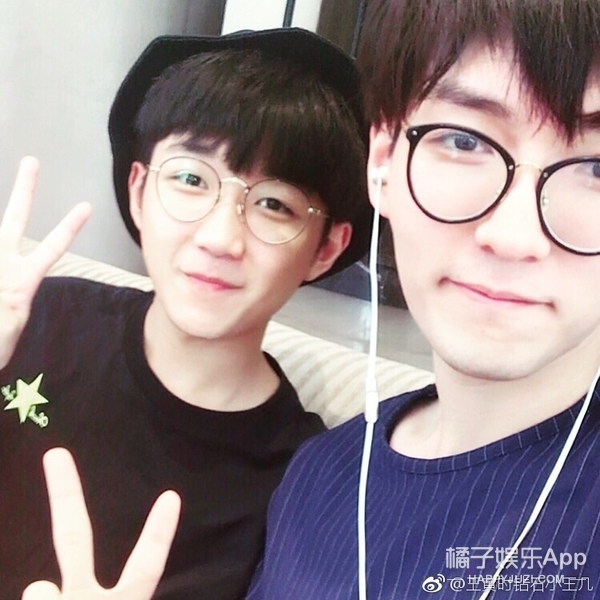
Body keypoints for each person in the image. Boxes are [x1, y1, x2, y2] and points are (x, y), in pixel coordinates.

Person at [25, 1, 600, 599]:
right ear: (383, 160)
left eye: (596, 168)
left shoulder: (281, 461)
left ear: (328, 247)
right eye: (464, 140)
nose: (513, 236)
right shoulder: (320, 476)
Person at [0, 27, 370, 600]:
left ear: (326, 249)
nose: (220, 238)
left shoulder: (305, 483)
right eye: (191, 179)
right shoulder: (36, 318)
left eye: (274, 204)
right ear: (139, 191)